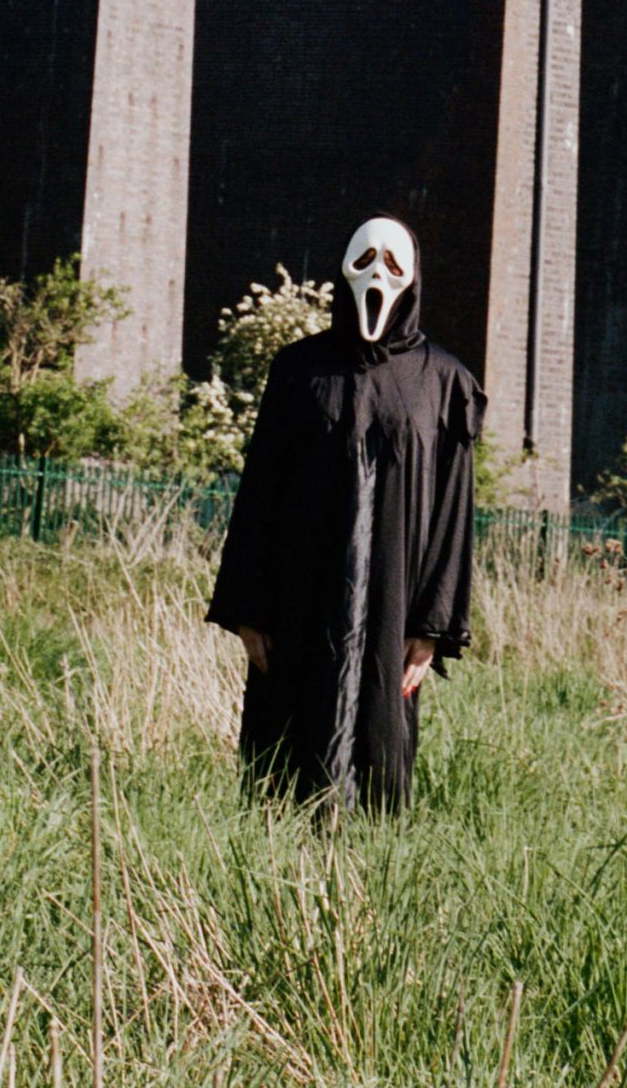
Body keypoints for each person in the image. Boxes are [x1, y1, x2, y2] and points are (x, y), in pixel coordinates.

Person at [205, 214, 482, 811]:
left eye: (393, 262)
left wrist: (432, 626)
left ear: (413, 277)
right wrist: (249, 608)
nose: (378, 275)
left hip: (392, 606)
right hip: (296, 601)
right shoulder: (299, 370)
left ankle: (365, 863)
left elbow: (453, 514)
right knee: (282, 760)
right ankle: (273, 860)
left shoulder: (445, 382)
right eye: (365, 259)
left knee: (377, 753)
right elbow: (260, 491)